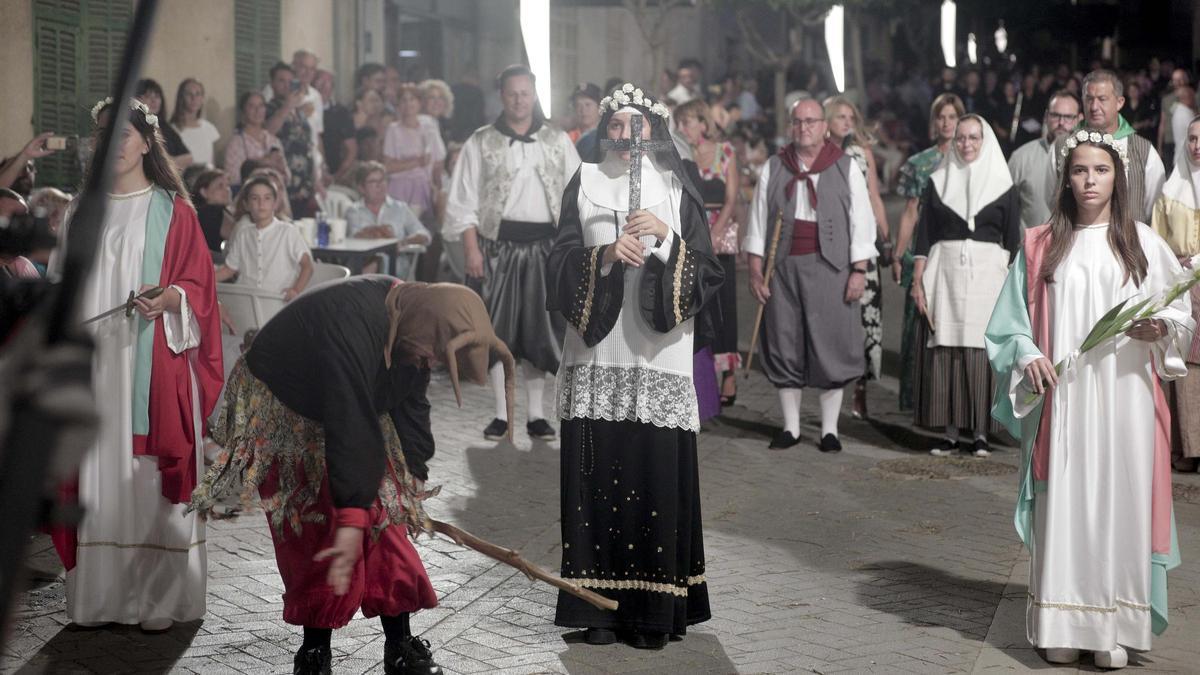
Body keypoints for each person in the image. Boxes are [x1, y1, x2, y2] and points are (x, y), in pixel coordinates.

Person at [192, 278, 515, 674]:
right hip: (290, 399)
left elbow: (410, 395)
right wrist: (349, 518)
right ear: (420, 324)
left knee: (385, 518)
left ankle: (400, 645)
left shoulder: (414, 323)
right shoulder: (352, 322)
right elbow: (350, 421)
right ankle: (314, 652)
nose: (427, 363)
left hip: (350, 399)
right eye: (428, 355)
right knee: (317, 527)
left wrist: (414, 468)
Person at [986, 130, 1193, 670]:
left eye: (1100, 170)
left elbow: (1181, 314)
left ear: (1117, 177)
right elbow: (1011, 324)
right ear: (1066, 177)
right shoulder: (1040, 244)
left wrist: (1161, 329)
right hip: (1067, 399)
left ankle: (1113, 631)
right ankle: (1062, 621)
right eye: (1080, 170)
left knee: (1119, 502)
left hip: (1125, 398)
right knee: (1068, 503)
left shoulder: (1143, 242)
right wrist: (1029, 353)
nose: (1090, 180)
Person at [546, 84, 722, 649]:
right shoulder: (583, 181)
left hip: (656, 355)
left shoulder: (676, 186)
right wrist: (601, 257)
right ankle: (596, 609)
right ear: (605, 132)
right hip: (598, 354)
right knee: (596, 475)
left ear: (654, 130)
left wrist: (668, 240)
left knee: (652, 474)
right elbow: (557, 263)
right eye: (617, 127)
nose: (627, 137)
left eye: (636, 126)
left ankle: (653, 613)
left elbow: (710, 271)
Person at [50, 97, 223, 631]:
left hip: (152, 363)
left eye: (120, 134)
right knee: (95, 468)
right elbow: (60, 286)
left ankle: (158, 600)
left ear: (147, 143)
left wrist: (172, 298)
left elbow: (201, 290)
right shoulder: (81, 210)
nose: (109, 143)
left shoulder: (174, 210)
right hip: (94, 362)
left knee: (145, 476)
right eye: (101, 134)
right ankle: (100, 598)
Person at [443, 64, 581, 440]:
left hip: (545, 248)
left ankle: (536, 415)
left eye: (525, 92)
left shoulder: (557, 140)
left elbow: (576, 197)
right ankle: (502, 414)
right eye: (512, 93)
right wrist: (471, 249)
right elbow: (462, 201)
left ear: (534, 95)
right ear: (501, 96)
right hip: (496, 248)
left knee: (541, 332)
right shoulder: (481, 141)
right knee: (496, 331)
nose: (519, 100)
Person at [743, 98, 877, 451]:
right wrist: (756, 270)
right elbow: (757, 219)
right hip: (783, 268)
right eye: (798, 121)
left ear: (825, 126)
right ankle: (791, 428)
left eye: (812, 121)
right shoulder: (774, 166)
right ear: (791, 126)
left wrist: (859, 270)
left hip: (831, 267)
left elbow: (862, 221)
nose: (804, 128)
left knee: (830, 343)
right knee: (786, 341)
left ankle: (829, 430)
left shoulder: (845, 166)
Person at [912, 115, 1020, 457]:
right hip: (943, 274)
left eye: (974, 138)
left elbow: (1014, 241)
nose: (966, 144)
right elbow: (924, 235)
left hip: (988, 275)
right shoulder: (938, 181)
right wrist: (917, 280)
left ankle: (981, 434)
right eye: (960, 138)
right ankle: (949, 432)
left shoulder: (1004, 185)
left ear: (985, 140)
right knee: (946, 348)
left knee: (980, 351)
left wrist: (1015, 289)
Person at [893, 93, 963, 411]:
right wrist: (898, 254)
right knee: (916, 325)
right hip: (923, 251)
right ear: (934, 122)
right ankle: (914, 396)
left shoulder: (973, 160)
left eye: (952, 117)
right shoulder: (920, 163)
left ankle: (952, 398)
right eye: (941, 117)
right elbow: (910, 212)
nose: (946, 123)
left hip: (960, 252)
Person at [824, 96, 892, 420]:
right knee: (835, 318)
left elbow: (874, 196)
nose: (847, 121)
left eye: (851, 116)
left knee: (867, 317)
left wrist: (886, 237)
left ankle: (861, 388)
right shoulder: (819, 153)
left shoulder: (862, 152)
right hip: (831, 244)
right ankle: (834, 384)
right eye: (840, 116)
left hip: (863, 244)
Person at [676, 100, 742, 408]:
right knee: (699, 304)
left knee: (724, 302)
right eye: (679, 123)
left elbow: (731, 199)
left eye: (688, 122)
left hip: (719, 234)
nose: (682, 128)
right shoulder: (679, 155)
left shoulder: (724, 152)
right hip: (691, 236)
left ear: (703, 124)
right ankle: (701, 373)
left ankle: (728, 372)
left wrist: (714, 233)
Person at [1151, 114, 1200, 471]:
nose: (1197, 146)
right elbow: (1158, 236)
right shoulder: (1172, 187)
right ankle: (1187, 447)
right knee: (1184, 360)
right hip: (1182, 279)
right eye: (1192, 139)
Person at [1080, 70, 1166, 224]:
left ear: (1119, 102)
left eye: (1102, 99)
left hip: (1127, 243)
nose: (1094, 107)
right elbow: (1053, 196)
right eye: (1089, 99)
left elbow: (1155, 207)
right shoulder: (1064, 146)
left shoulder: (1143, 151)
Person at [216, 176, 313, 301]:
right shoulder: (244, 234)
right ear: (246, 204)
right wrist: (201, 281)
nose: (261, 204)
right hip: (247, 300)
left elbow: (307, 266)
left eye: (267, 198)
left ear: (275, 203)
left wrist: (295, 290)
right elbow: (229, 269)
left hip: (278, 301)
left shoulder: (288, 231)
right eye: (255, 198)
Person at [1008, 90, 1083, 229]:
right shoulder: (1021, 157)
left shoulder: (1088, 160)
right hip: (1030, 247)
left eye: (1068, 117)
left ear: (1079, 119)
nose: (1061, 122)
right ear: (1047, 116)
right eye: (1056, 115)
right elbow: (1007, 210)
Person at [346, 161, 431, 278]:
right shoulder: (353, 210)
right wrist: (382, 233)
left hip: (396, 267)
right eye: (373, 182)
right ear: (361, 188)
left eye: (383, 180)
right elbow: (354, 236)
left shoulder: (400, 208)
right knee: (374, 261)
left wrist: (404, 242)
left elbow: (424, 235)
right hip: (364, 264)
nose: (380, 186)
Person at [265, 62, 319, 218]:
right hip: (284, 182)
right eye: (281, 81)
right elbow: (269, 132)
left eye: (290, 81)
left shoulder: (300, 112)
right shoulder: (269, 108)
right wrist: (287, 107)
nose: (286, 85)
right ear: (272, 83)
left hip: (304, 185)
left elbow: (308, 146)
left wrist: (315, 179)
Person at [384, 83, 445, 217]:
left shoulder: (429, 126)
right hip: (398, 186)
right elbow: (388, 166)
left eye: (412, 99)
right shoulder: (393, 129)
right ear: (398, 105)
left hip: (422, 185)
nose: (408, 104)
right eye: (404, 100)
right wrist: (416, 162)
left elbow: (437, 162)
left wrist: (437, 188)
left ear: (419, 103)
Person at [223, 91, 289, 190]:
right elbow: (233, 179)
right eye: (251, 106)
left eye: (261, 106)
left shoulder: (274, 141)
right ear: (243, 111)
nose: (257, 110)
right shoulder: (236, 143)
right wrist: (261, 163)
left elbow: (287, 177)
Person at [314, 69, 357, 187]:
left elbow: (351, 150)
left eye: (328, 83)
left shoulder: (341, 112)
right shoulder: (303, 109)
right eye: (320, 81)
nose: (324, 87)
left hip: (334, 174)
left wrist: (335, 177)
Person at [136, 78, 192, 168]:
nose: (154, 101)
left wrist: (167, 162)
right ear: (137, 99)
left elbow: (188, 157)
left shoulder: (164, 126)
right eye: (148, 96)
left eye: (157, 96)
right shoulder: (136, 127)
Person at [170, 78, 220, 166]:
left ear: (202, 98)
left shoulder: (209, 128)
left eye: (198, 94)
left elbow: (212, 163)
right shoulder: (172, 129)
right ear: (181, 97)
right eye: (189, 94)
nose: (194, 98)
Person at [190, 168, 235, 253]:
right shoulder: (212, 211)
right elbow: (237, 234)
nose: (227, 190)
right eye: (220, 186)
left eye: (227, 185)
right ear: (204, 192)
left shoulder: (199, 211)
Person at [1158, 68, 1190, 160]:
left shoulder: (1194, 98)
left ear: (1186, 80)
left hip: (1187, 140)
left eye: (1181, 79)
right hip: (1169, 140)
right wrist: (1160, 147)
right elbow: (1162, 123)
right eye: (1175, 80)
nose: (1178, 82)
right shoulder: (1166, 99)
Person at [419, 79, 455, 144]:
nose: (437, 102)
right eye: (431, 97)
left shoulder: (444, 125)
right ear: (422, 102)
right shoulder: (419, 125)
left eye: (441, 97)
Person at [1171, 86, 1196, 168]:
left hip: (1182, 157)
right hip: (1186, 160)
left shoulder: (1179, 111)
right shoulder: (1185, 114)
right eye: (1192, 97)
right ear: (1186, 97)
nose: (1194, 100)